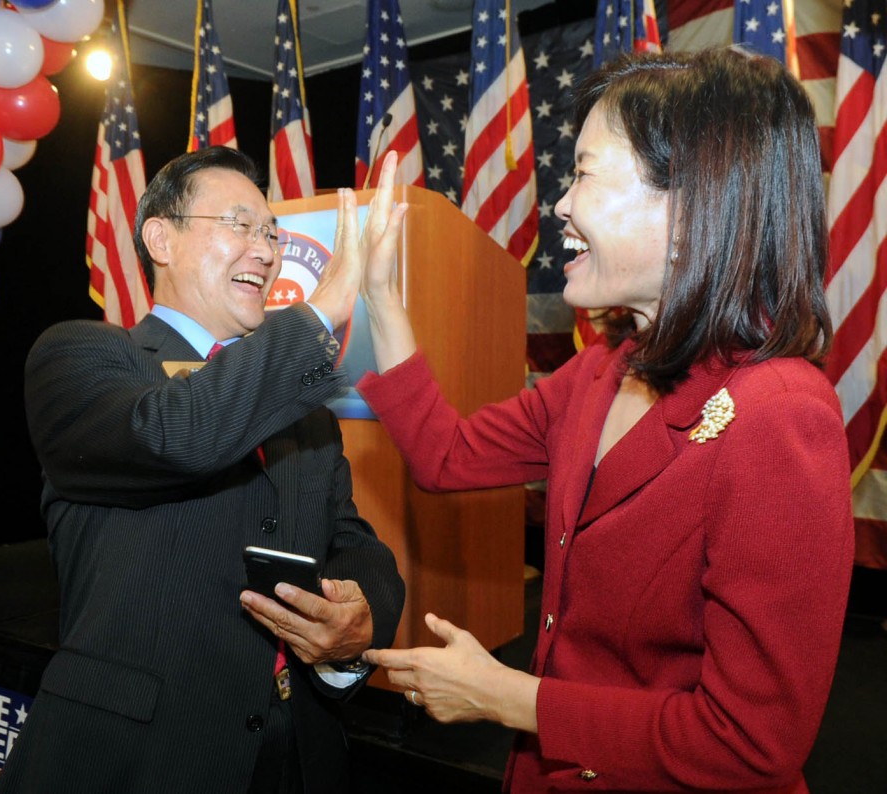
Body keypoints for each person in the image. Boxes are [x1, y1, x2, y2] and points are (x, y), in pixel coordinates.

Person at [357, 47, 855, 793]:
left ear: (692, 202)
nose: (559, 203)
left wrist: (504, 697)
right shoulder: (600, 372)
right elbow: (445, 456)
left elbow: (753, 743)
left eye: (584, 173)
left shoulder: (780, 418)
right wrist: (381, 297)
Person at [0, 146, 405, 794]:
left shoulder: (305, 409)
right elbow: (177, 435)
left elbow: (351, 542)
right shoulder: (82, 358)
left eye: (272, 233)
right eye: (240, 225)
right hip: (136, 763)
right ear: (161, 237)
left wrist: (362, 619)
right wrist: (322, 311)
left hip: (298, 758)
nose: (267, 252)